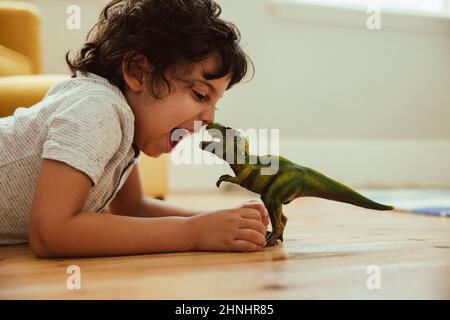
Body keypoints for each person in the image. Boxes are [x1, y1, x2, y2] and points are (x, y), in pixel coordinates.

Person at [0, 0, 270, 257]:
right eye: (200, 94)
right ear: (138, 72)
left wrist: (212, 221)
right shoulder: (98, 109)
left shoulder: (125, 127)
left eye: (215, 103)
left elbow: (131, 207)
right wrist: (194, 232)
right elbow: (50, 232)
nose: (210, 117)